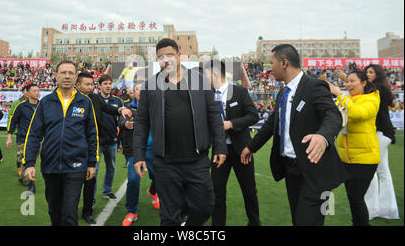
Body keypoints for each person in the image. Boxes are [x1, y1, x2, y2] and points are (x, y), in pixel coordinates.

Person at [241, 44, 347, 226]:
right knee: (298, 221)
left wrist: (323, 137)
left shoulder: (314, 86)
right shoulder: (283, 92)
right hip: (292, 170)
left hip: (316, 171)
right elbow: (271, 124)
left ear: (284, 63)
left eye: (272, 63)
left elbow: (333, 115)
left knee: (308, 221)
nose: (269, 68)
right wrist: (251, 147)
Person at [133, 38, 227, 226]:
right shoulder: (150, 86)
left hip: (197, 160)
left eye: (169, 55)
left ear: (179, 55)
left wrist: (220, 146)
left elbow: (214, 115)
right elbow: (142, 123)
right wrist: (138, 155)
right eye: (161, 57)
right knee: (168, 216)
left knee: (205, 207)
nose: (165, 60)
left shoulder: (200, 81)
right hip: (165, 163)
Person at [23, 60, 99, 226]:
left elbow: (92, 135)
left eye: (71, 73)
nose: (67, 76)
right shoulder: (46, 103)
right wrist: (29, 163)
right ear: (55, 75)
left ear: (75, 76)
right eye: (63, 72)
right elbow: (34, 135)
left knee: (70, 212)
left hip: (76, 166)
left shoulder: (85, 102)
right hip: (50, 166)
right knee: (54, 211)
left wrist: (92, 163)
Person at [203, 60, 261, 226]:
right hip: (219, 151)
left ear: (214, 74)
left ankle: (255, 223)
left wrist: (231, 124)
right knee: (216, 192)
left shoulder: (239, 92)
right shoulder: (207, 95)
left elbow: (253, 116)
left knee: (249, 191)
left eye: (206, 74)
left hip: (242, 150)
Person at [75, 72, 132, 224]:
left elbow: (107, 108)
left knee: (91, 174)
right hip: (76, 145)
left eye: (91, 84)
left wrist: (120, 110)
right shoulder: (72, 99)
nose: (90, 87)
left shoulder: (94, 98)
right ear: (78, 85)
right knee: (74, 178)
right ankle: (72, 207)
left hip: (96, 142)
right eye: (87, 84)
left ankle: (88, 208)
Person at [327, 70, 381, 226]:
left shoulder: (371, 99)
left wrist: (339, 93)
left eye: (352, 81)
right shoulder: (348, 99)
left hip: (365, 159)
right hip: (346, 159)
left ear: (364, 83)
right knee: (353, 199)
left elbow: (357, 113)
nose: (348, 85)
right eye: (347, 81)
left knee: (356, 199)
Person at [119, 80, 159, 226]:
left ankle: (153, 192)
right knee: (134, 180)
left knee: (159, 179)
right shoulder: (128, 108)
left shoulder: (156, 107)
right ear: (133, 92)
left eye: (144, 89)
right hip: (135, 151)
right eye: (138, 89)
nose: (141, 91)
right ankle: (132, 212)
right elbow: (121, 123)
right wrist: (126, 124)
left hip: (155, 150)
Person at [363, 64, 400, 220]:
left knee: (373, 170)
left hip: (381, 133)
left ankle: (373, 209)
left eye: (371, 72)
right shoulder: (380, 87)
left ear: (378, 74)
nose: (368, 74)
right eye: (367, 72)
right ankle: (387, 209)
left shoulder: (377, 89)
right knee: (383, 171)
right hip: (383, 133)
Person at [6, 83, 40, 193]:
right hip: (22, 138)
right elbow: (13, 121)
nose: (37, 93)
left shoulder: (42, 106)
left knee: (32, 160)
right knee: (24, 159)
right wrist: (9, 137)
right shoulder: (21, 106)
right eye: (34, 91)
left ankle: (24, 177)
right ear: (28, 93)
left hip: (36, 139)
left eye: (38, 91)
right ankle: (31, 183)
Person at [95, 74, 124, 201]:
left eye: (109, 83)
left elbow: (121, 120)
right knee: (94, 170)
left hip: (112, 140)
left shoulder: (118, 101)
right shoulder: (94, 100)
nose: (108, 86)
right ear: (99, 86)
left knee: (111, 167)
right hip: (97, 141)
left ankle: (107, 190)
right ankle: (91, 198)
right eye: (105, 84)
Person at [7, 85, 28, 176]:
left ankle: (27, 168)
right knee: (20, 152)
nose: (28, 93)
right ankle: (19, 167)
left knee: (29, 152)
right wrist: (10, 132)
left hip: (31, 132)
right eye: (26, 91)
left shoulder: (35, 102)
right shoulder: (17, 102)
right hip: (20, 131)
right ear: (23, 92)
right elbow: (11, 116)